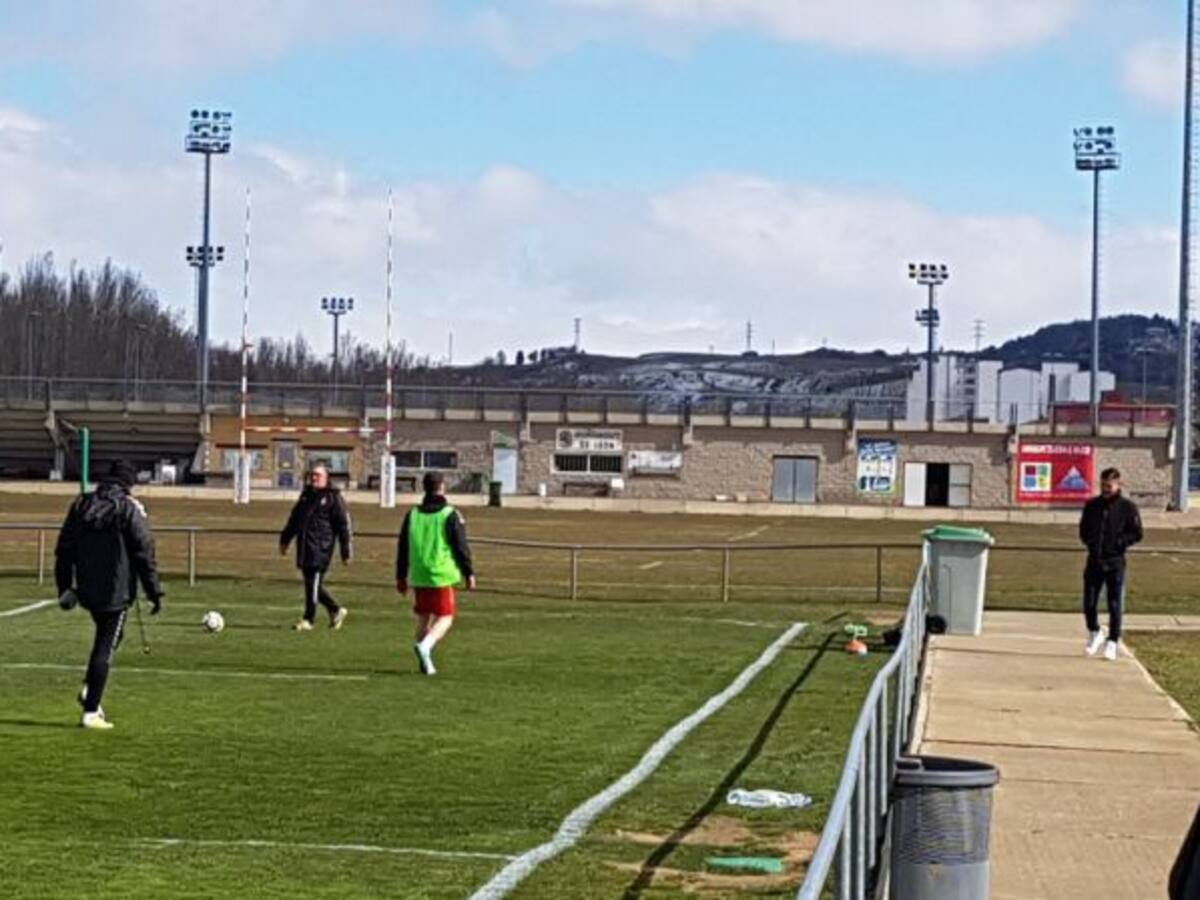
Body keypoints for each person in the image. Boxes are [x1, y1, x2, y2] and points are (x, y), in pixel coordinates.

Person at [54, 460, 164, 730]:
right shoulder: (128, 508)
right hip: (116, 591)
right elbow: (144, 550)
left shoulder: (82, 504)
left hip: (87, 587)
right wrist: (154, 591)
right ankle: (91, 709)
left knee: (110, 636)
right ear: (129, 483)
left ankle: (89, 689)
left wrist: (64, 586)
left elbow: (64, 548)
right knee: (105, 644)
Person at [395, 471, 476, 675]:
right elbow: (460, 546)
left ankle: (426, 662)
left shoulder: (412, 514)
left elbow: (403, 546)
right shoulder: (449, 514)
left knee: (424, 617)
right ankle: (426, 647)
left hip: (419, 573)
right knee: (445, 617)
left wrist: (401, 575)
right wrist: (468, 571)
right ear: (442, 486)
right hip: (440, 573)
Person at [1079, 466, 1143, 661]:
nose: (1106, 489)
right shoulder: (1092, 506)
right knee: (1089, 603)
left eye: (1109, 486)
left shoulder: (1127, 507)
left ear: (1118, 485)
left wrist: (1120, 542)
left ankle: (1113, 641)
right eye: (1103, 485)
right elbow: (1083, 530)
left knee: (1115, 603)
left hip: (1115, 562)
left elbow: (1137, 533)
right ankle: (1095, 631)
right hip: (1094, 561)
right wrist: (1091, 543)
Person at [279, 463, 352, 631]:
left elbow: (343, 526)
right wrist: (285, 540)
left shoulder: (333, 498)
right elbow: (294, 519)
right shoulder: (306, 496)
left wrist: (345, 551)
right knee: (312, 585)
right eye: (312, 475)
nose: (314, 478)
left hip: (321, 548)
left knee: (313, 583)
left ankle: (308, 619)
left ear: (326, 478)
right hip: (305, 547)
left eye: (318, 475)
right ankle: (335, 610)